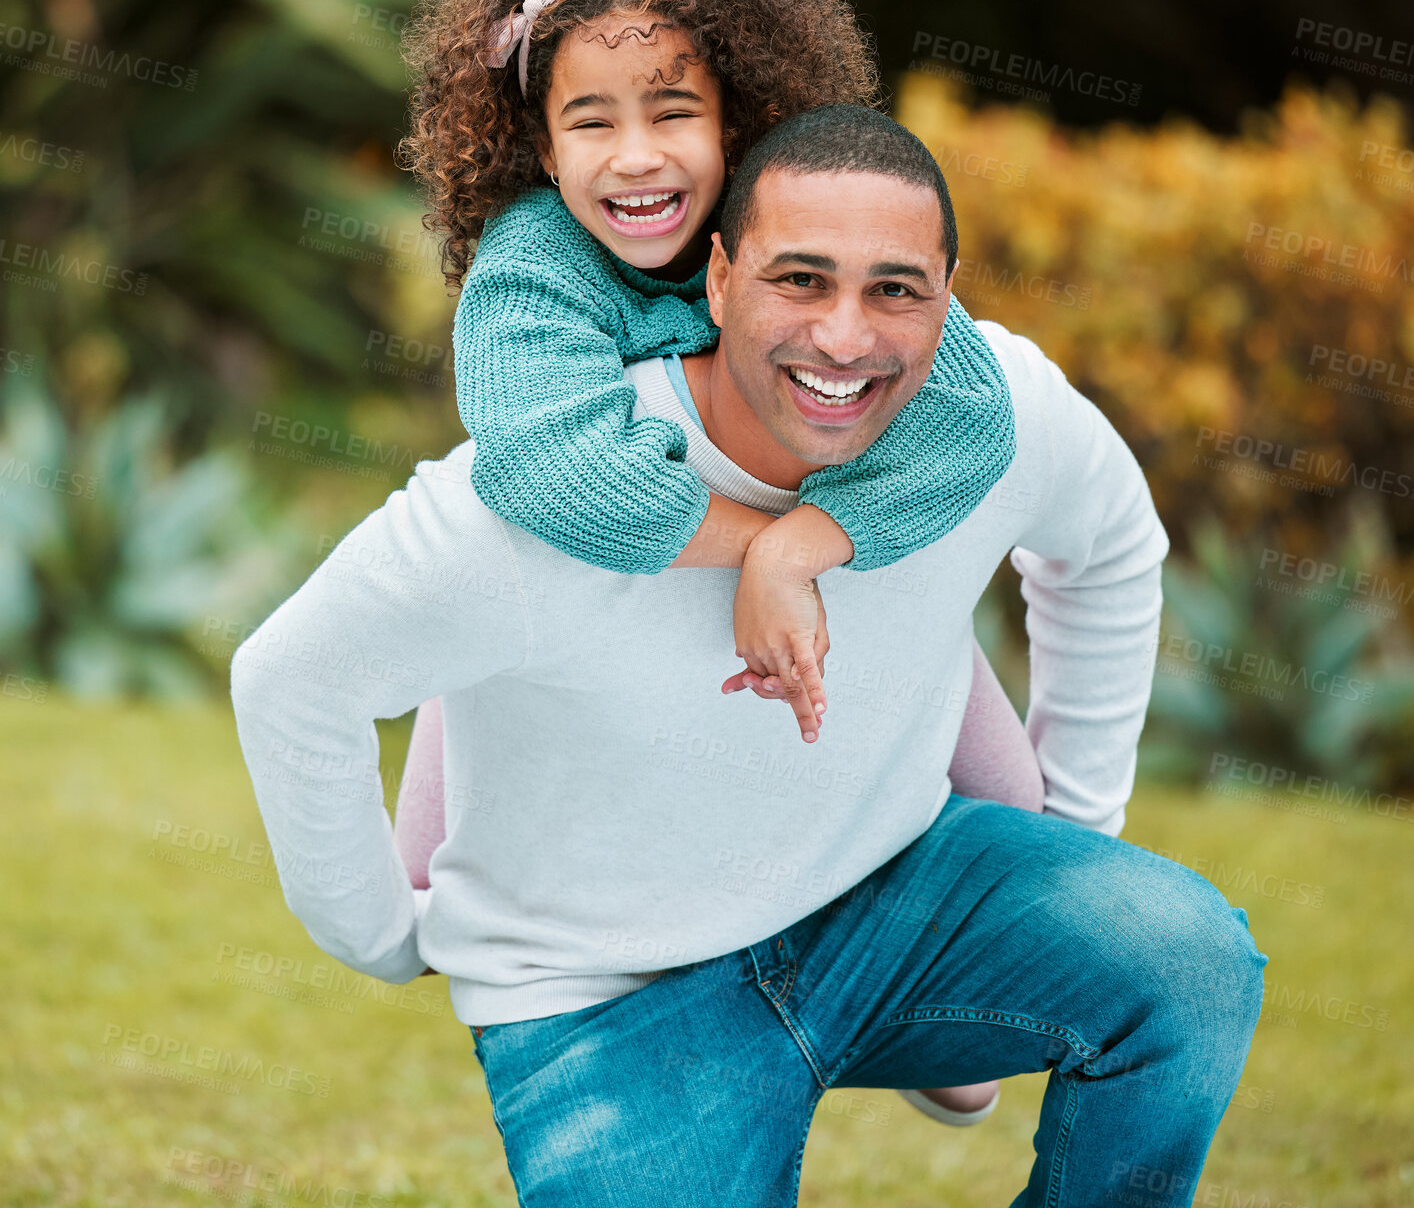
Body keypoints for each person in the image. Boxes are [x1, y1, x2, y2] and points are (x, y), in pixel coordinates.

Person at [230, 105, 1267, 1208]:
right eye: (800, 280)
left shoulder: (990, 414)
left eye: (894, 289)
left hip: (891, 903)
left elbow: (1110, 548)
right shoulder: (550, 494)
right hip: (609, 997)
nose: (844, 337)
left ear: (947, 294)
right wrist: (383, 937)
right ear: (717, 278)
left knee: (1182, 958)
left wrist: (1070, 844)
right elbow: (293, 679)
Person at [393, 0, 1043, 1122]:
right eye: (592, 120)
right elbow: (554, 472)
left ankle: (957, 999)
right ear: (538, 145)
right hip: (567, 583)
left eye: (673, 111)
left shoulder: (786, 228)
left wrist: (806, 546)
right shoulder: (534, 266)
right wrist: (760, 553)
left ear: (739, 120)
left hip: (853, 565)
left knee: (1028, 843)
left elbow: (971, 413)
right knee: (424, 871)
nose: (636, 156)